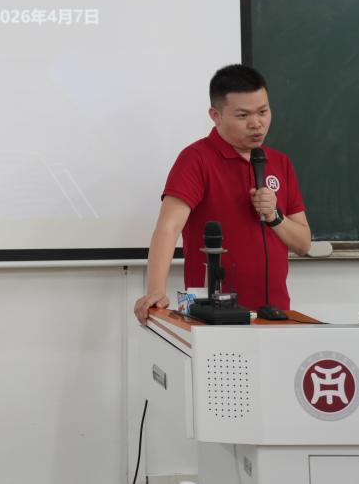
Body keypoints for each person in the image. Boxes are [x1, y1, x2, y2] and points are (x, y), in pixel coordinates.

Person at [133, 64, 311, 324]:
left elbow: (303, 243)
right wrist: (155, 290)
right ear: (215, 115)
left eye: (263, 111)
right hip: (212, 316)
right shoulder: (196, 159)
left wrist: (275, 216)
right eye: (243, 115)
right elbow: (168, 227)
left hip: (275, 315)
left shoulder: (279, 162)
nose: (256, 123)